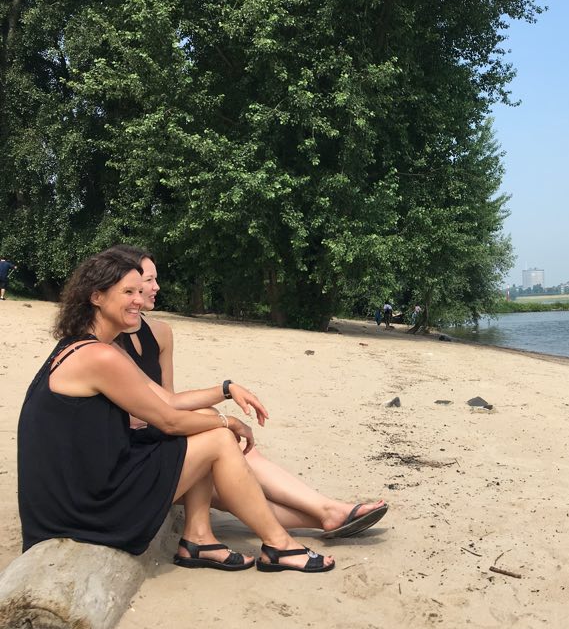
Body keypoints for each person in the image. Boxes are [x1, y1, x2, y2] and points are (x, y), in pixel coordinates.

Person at [17, 248, 335, 572]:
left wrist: (221, 407)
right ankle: (279, 545)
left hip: (70, 500)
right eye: (128, 292)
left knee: (206, 432)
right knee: (218, 439)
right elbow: (168, 420)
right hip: (84, 509)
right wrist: (228, 422)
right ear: (96, 296)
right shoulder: (100, 357)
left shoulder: (82, 346)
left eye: (139, 292)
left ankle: (201, 539)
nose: (138, 301)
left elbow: (165, 405)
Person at [111, 245, 387, 538]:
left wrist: (226, 389)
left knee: (226, 449)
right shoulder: (108, 343)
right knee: (223, 462)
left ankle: (326, 512)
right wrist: (222, 410)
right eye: (148, 280)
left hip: (158, 430)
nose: (156, 287)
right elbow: (160, 408)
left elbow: (170, 398)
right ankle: (324, 514)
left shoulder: (160, 332)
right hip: (136, 446)